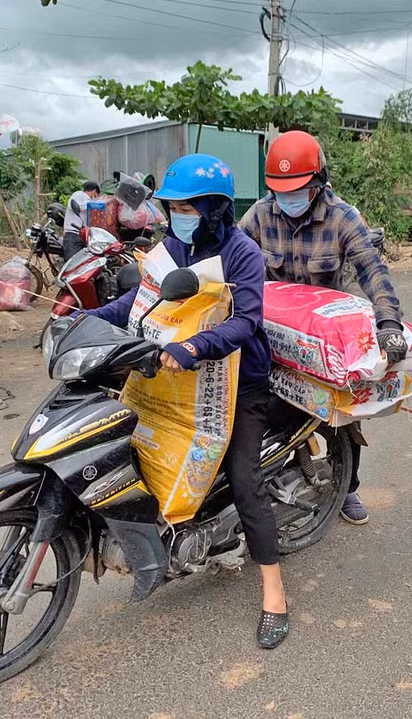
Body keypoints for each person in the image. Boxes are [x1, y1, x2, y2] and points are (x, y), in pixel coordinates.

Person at [85, 154, 290, 649]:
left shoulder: (243, 254)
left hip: (238, 382)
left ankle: (274, 594)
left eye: (187, 207)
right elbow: (140, 300)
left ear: (214, 208)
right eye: (173, 206)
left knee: (245, 480)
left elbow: (246, 322)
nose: (177, 214)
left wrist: (193, 346)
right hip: (176, 376)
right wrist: (88, 320)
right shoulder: (172, 246)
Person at [239, 130, 408, 525]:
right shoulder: (261, 215)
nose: (288, 199)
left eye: (296, 190)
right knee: (266, 407)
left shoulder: (343, 218)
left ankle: (347, 486)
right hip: (275, 333)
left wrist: (388, 324)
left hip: (325, 338)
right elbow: (231, 255)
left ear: (318, 182)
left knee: (344, 413)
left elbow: (373, 272)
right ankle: (277, 473)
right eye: (281, 191)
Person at [63, 180, 101, 260]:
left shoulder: (87, 201)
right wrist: (97, 204)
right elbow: (77, 206)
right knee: (73, 264)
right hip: (73, 234)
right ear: (94, 192)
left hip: (83, 236)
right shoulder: (79, 194)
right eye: (96, 195)